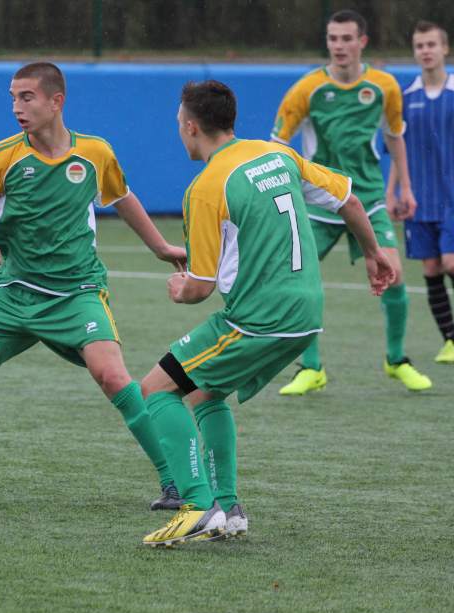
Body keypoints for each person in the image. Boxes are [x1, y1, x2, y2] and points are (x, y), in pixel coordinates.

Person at [0, 62, 187, 508]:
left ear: (55, 101)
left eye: (27, 97)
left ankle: (174, 479)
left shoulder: (95, 153)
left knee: (113, 377)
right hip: (15, 295)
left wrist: (160, 248)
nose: (17, 107)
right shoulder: (2, 157)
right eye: (12, 98)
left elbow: (122, 198)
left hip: (77, 295)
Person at [140, 81, 395, 547]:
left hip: (257, 320)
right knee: (204, 394)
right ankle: (228, 508)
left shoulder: (205, 188)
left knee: (156, 389)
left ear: (192, 127)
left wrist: (180, 289)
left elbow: (199, 288)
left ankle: (197, 507)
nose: (180, 131)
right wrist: (374, 253)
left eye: (179, 124)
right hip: (306, 314)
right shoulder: (277, 155)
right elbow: (350, 201)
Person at [271, 8, 431, 395]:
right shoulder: (304, 90)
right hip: (318, 203)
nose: (339, 46)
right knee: (296, 281)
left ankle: (396, 360)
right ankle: (310, 368)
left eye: (346, 39)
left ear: (362, 42)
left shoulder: (384, 86)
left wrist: (404, 188)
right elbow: (277, 144)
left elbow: (395, 137)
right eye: (332, 39)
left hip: (370, 199)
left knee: (392, 275)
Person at [394, 20, 454, 364]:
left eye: (431, 44)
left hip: (452, 198)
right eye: (420, 46)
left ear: (444, 48)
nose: (426, 51)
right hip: (420, 198)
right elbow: (395, 146)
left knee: (450, 262)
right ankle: (450, 339)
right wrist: (394, 191)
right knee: (431, 268)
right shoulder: (406, 97)